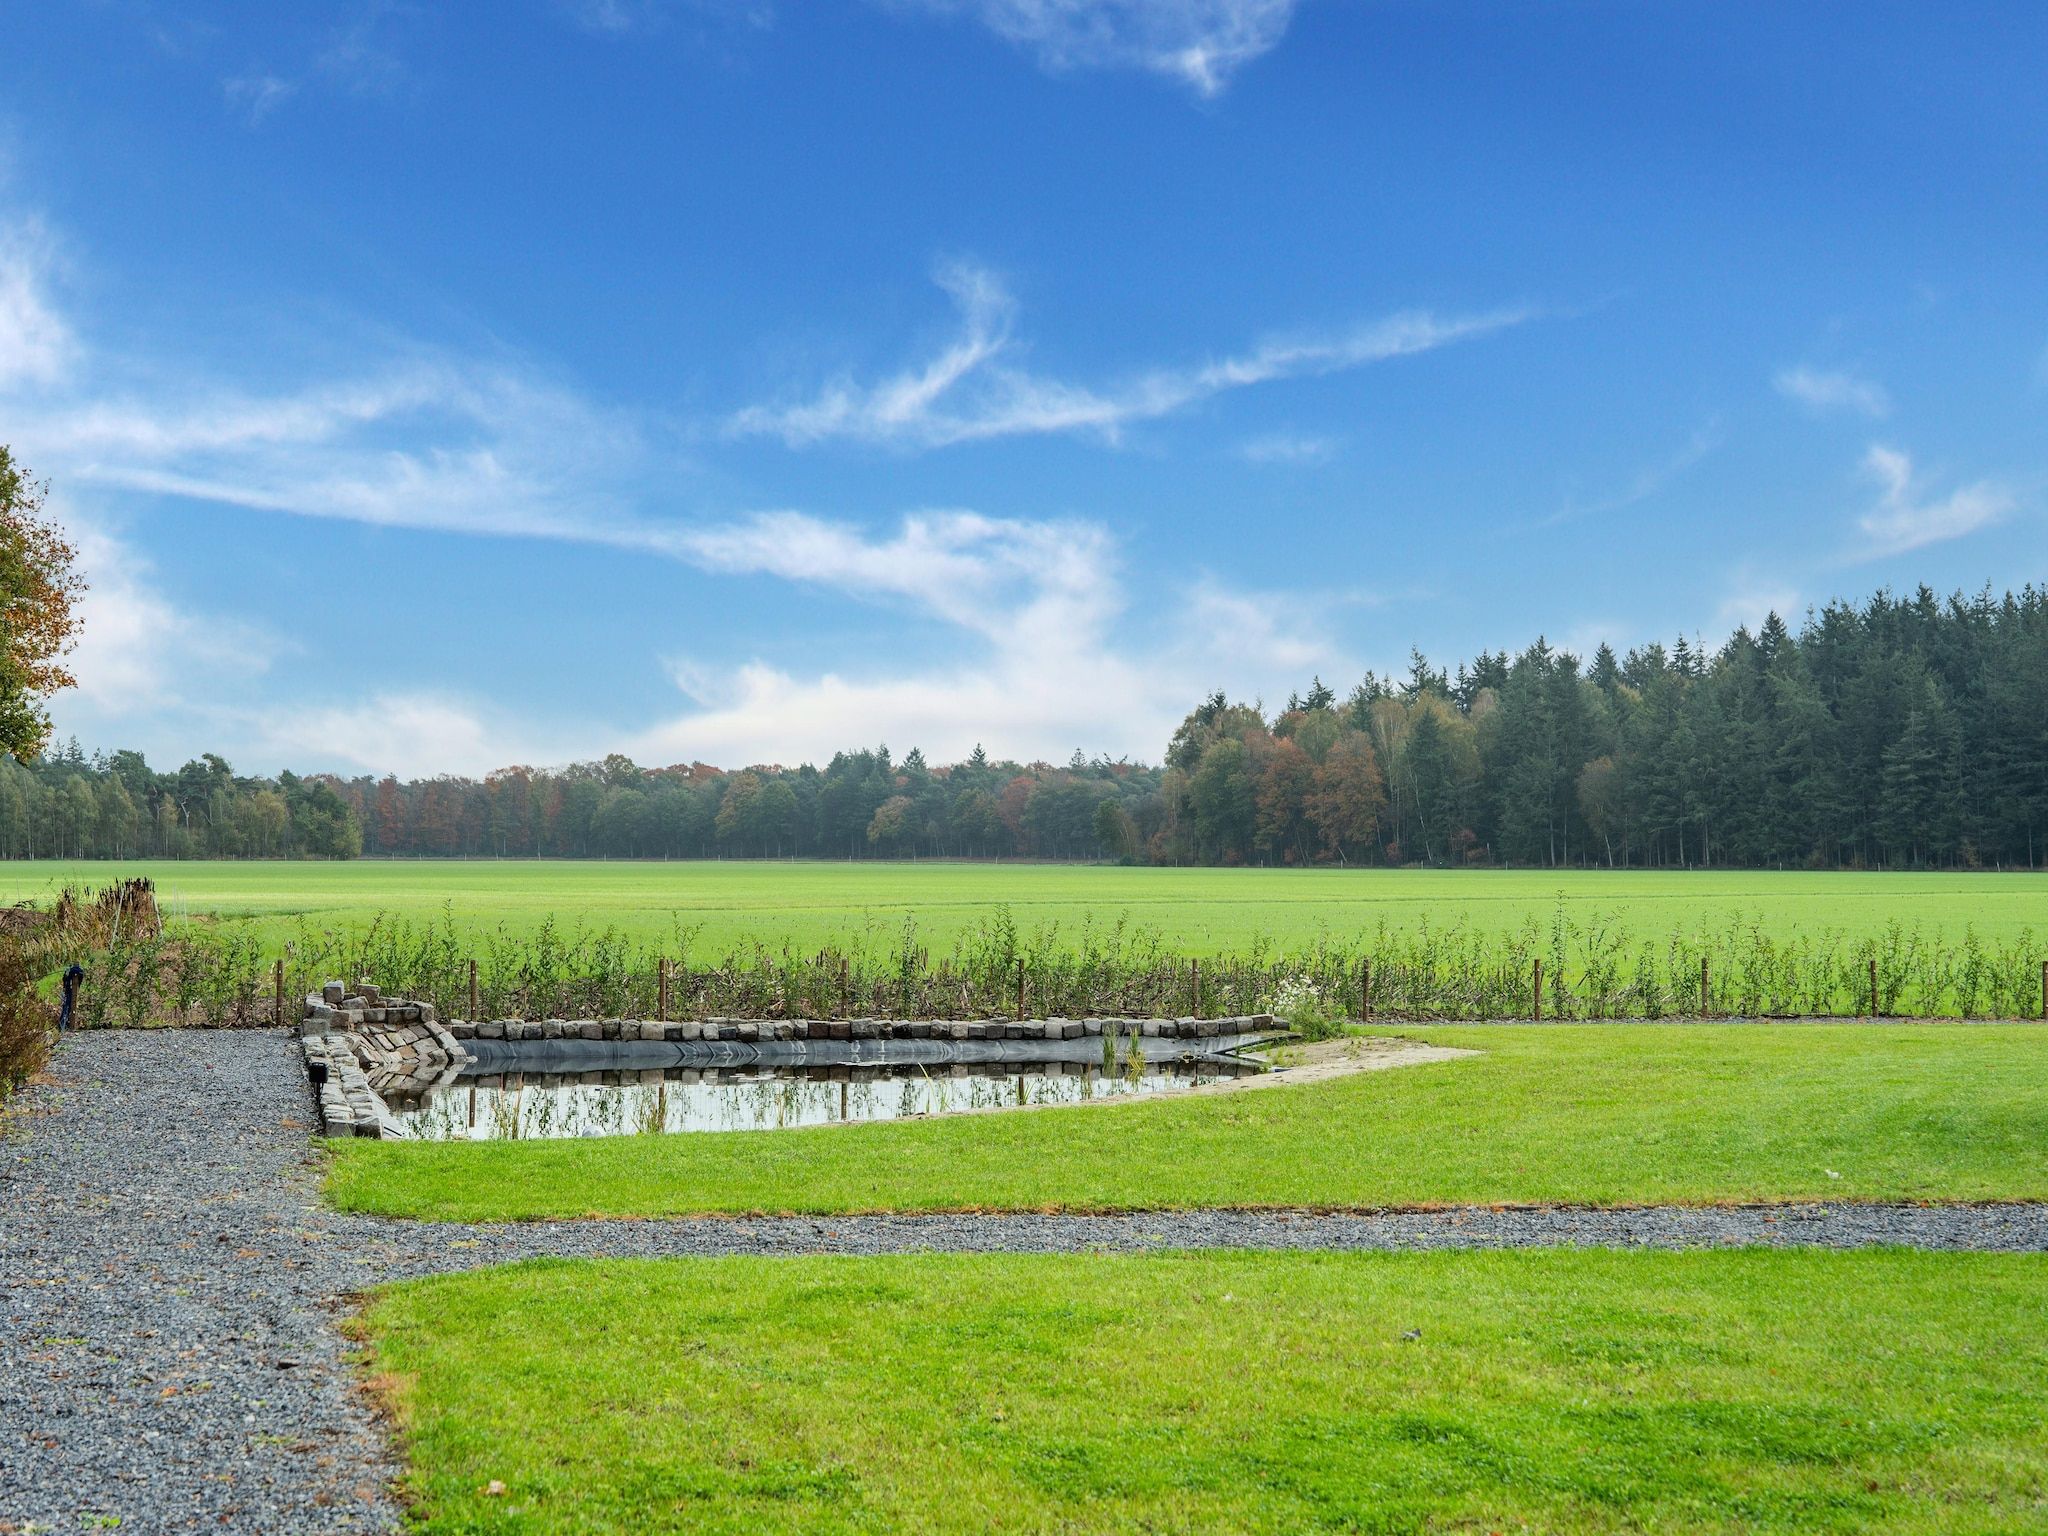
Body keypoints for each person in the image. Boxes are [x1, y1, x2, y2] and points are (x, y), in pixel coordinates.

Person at [58, 962, 83, 1032]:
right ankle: (63, 1025)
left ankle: (64, 1025)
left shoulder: (70, 971)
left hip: (68, 991)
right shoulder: (76, 971)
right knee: (66, 1008)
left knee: (67, 1008)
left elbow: (65, 979)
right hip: (69, 991)